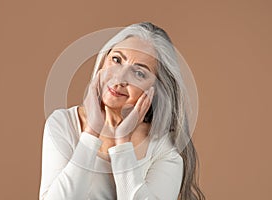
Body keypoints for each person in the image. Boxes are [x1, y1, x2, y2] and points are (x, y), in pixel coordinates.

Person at [39, 22, 205, 200]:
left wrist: (123, 142)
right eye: (116, 60)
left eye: (139, 73)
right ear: (103, 61)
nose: (119, 77)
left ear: (155, 89)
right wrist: (91, 132)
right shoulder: (63, 124)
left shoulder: (164, 150)